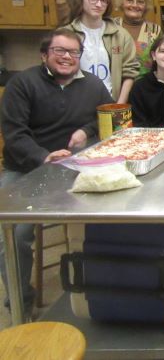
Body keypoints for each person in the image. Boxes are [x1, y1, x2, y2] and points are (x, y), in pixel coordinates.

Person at [0, 29, 113, 312]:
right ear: (44, 54)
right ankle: (20, 300)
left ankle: (105, 291)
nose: (67, 57)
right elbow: (15, 134)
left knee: (113, 218)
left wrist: (86, 131)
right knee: (13, 233)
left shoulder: (94, 85)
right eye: (59, 51)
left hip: (77, 169)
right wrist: (44, 155)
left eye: (74, 52)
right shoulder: (22, 84)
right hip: (26, 170)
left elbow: (107, 118)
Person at [60, 0, 139, 103]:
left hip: (109, 102)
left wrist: (119, 105)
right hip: (74, 103)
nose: (98, 4)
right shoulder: (67, 33)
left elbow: (130, 72)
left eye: (103, 0)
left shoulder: (120, 35)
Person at [112, 0, 164, 77]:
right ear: (121, 3)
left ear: (145, 6)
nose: (135, 5)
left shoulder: (155, 30)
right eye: (129, 0)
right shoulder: (111, 27)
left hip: (146, 88)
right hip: (115, 86)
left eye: (140, 2)